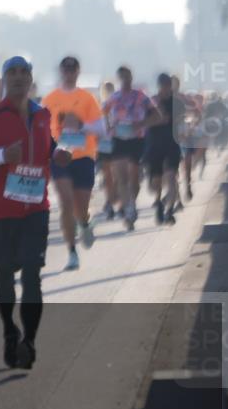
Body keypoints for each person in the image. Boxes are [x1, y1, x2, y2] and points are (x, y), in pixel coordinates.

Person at [0, 57, 72, 370]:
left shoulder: (42, 114)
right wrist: (1, 156)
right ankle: (10, 330)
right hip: (2, 209)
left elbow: (47, 144)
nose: (19, 77)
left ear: (31, 79)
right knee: (4, 274)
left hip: (37, 208)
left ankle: (30, 342)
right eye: (12, 72)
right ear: (4, 79)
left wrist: (58, 152)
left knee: (32, 274)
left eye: (24, 72)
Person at [40, 56, 106, 271]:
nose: (69, 73)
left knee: (81, 208)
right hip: (60, 156)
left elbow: (101, 129)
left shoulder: (87, 98)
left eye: (72, 69)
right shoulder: (50, 99)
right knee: (66, 203)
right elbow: (41, 128)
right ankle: (72, 252)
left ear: (78, 71)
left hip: (83, 156)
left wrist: (80, 125)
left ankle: (85, 223)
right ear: (61, 71)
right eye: (66, 69)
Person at [102, 66, 160, 231]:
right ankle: (128, 210)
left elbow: (157, 116)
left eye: (127, 77)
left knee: (134, 178)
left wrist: (142, 123)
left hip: (137, 140)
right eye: (122, 77)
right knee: (121, 177)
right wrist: (108, 126)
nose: (125, 80)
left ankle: (132, 203)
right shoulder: (114, 97)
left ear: (131, 77)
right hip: (119, 139)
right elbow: (102, 112)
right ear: (119, 79)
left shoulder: (141, 96)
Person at [143, 74, 185, 225]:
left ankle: (169, 211)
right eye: (163, 85)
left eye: (168, 85)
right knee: (156, 182)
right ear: (159, 86)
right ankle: (159, 202)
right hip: (154, 145)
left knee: (171, 177)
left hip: (172, 145)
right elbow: (144, 122)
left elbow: (180, 121)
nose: (166, 88)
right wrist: (158, 120)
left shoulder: (177, 102)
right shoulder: (151, 102)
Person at [97, 82, 118, 220]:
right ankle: (110, 201)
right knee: (109, 176)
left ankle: (111, 201)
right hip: (105, 144)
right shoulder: (101, 107)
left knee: (111, 176)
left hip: (113, 143)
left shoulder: (114, 106)